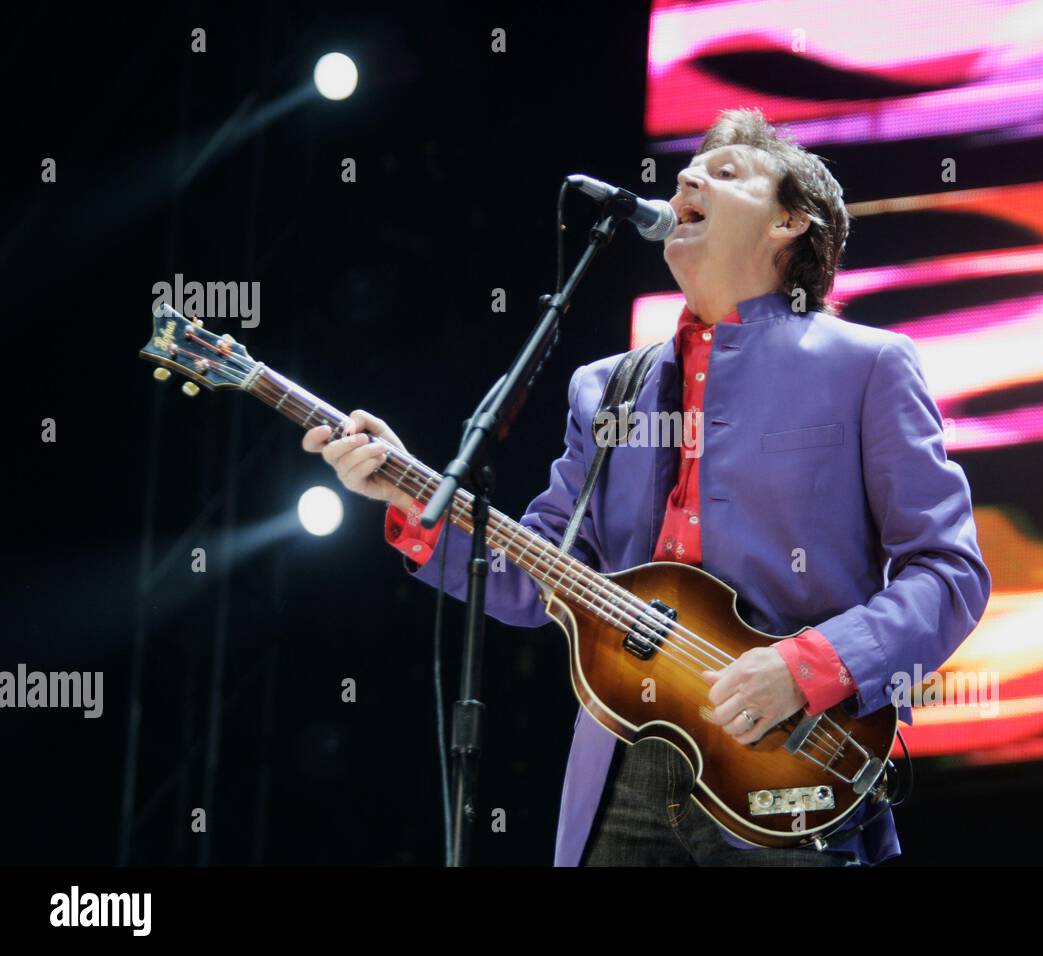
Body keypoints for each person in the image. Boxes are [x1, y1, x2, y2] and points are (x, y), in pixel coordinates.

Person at [302, 108, 991, 866]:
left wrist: (808, 667)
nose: (688, 178)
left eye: (725, 173)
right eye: (686, 172)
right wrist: (413, 497)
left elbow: (949, 573)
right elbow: (538, 579)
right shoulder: (608, 389)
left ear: (789, 221)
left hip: (789, 756)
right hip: (622, 764)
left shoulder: (868, 365)